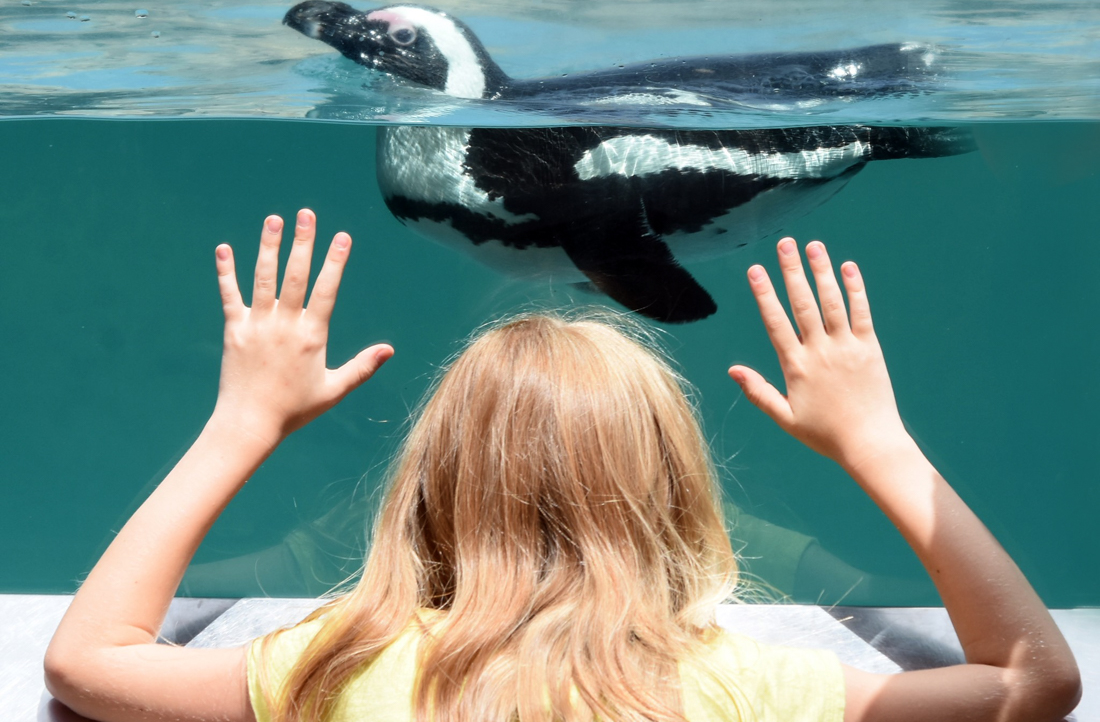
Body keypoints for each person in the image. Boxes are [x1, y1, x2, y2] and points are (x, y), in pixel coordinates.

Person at [45, 209, 1080, 722]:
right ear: (675, 493)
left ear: (425, 490)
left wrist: (242, 422)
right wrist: (877, 440)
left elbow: (87, 660)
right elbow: (1033, 684)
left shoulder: (344, 666)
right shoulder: (741, 686)